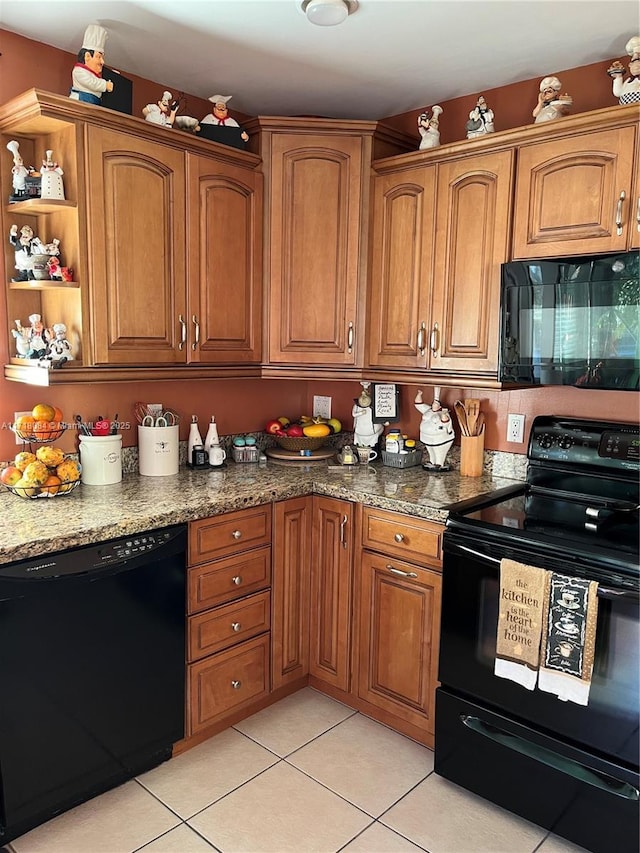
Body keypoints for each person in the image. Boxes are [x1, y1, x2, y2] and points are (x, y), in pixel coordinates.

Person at [69, 24, 113, 105]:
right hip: (81, 101)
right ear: (87, 56)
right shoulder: (79, 71)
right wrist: (105, 85)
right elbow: (91, 82)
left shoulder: (95, 75)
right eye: (99, 57)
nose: (102, 61)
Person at [415, 387, 455, 469]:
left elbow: (446, 422)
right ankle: (432, 462)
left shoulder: (443, 413)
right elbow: (418, 405)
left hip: (440, 439)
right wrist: (419, 395)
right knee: (431, 451)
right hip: (427, 438)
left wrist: (444, 414)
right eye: (433, 403)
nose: (434, 405)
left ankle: (439, 464)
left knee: (439, 452)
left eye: (436, 403)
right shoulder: (428, 410)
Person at [607, 36, 640, 104]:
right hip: (626, 110)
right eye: (634, 62)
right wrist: (618, 77)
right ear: (630, 65)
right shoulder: (628, 81)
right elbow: (618, 92)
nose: (637, 65)